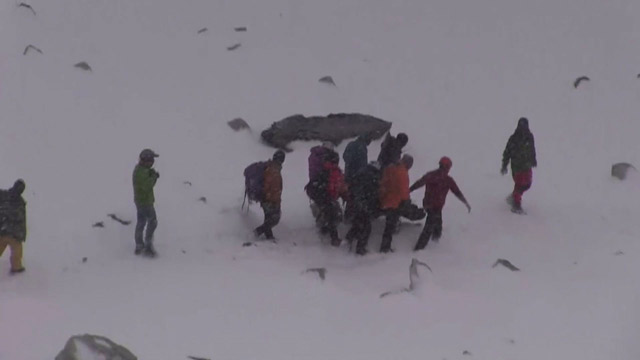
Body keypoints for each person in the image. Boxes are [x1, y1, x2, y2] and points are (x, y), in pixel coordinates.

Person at [410, 156, 470, 251]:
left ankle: (436, 241)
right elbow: (457, 192)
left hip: (430, 204)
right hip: (434, 206)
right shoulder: (447, 179)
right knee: (429, 226)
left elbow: (419, 183)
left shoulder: (431, 175)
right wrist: (465, 202)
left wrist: (409, 190)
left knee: (437, 222)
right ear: (447, 167)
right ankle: (419, 249)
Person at [305, 151, 348, 246]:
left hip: (320, 197)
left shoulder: (323, 170)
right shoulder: (335, 172)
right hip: (328, 198)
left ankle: (324, 228)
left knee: (328, 213)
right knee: (333, 216)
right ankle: (334, 238)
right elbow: (338, 187)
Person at [378, 154, 413, 253]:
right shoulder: (402, 173)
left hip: (385, 199)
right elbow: (403, 190)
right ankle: (385, 248)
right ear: (408, 163)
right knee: (390, 226)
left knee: (389, 225)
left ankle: (385, 247)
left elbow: (383, 182)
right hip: (394, 202)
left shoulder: (391, 167)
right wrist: (407, 200)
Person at [501, 117, 537, 214]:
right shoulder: (514, 138)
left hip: (527, 165)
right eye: (521, 126)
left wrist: (533, 159)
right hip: (517, 166)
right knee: (520, 184)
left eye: (524, 126)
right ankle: (516, 204)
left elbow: (532, 148)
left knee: (527, 184)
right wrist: (504, 165)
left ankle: (514, 196)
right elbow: (507, 152)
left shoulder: (530, 136)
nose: (523, 128)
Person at [345, 161, 381, 255]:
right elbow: (370, 193)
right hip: (362, 204)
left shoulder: (362, 173)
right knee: (366, 227)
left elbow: (355, 188)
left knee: (357, 223)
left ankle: (348, 239)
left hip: (355, 203)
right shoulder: (371, 177)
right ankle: (360, 248)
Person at [133, 149, 160, 257]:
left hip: (141, 201)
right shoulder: (141, 172)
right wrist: (154, 177)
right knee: (152, 222)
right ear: (146, 160)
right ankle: (147, 245)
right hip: (145, 202)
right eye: (151, 160)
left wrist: (150, 174)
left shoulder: (141, 170)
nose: (153, 162)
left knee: (141, 222)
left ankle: (139, 245)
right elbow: (147, 186)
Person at [254, 150, 285, 240]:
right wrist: (269, 197)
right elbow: (269, 185)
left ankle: (269, 237)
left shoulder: (271, 167)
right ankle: (256, 232)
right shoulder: (273, 169)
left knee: (268, 218)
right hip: (269, 200)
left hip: (268, 199)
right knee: (274, 219)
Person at [342, 134, 371, 222]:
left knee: (349, 195)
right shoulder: (362, 148)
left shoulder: (350, 144)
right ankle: (354, 217)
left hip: (348, 174)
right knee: (357, 196)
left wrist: (349, 167)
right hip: (357, 177)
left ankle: (347, 215)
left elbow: (344, 156)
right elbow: (363, 165)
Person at [0, 179, 27, 274]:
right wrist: (22, 234)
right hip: (13, 233)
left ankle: (16, 267)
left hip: (3, 229)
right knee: (17, 251)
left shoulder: (4, 195)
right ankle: (16, 268)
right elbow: (22, 219)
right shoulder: (20, 202)